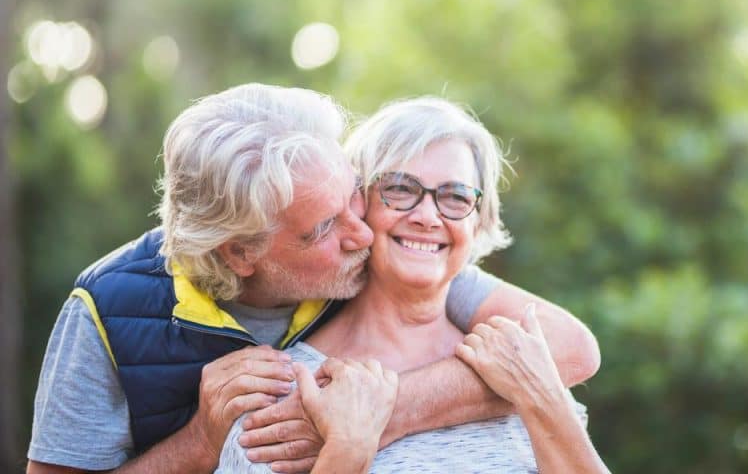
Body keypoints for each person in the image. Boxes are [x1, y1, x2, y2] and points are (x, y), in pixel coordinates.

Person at [27, 84, 600, 473]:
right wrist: (205, 439)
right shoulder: (116, 313)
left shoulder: (472, 321)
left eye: (351, 193)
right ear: (242, 253)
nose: (359, 234)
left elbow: (571, 349)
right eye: (327, 225)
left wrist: (387, 410)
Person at [218, 96, 608, 473]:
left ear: (478, 220)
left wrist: (539, 396)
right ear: (357, 204)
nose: (427, 216)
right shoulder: (283, 394)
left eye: (455, 196)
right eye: (401, 188)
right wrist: (347, 451)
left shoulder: (520, 364)